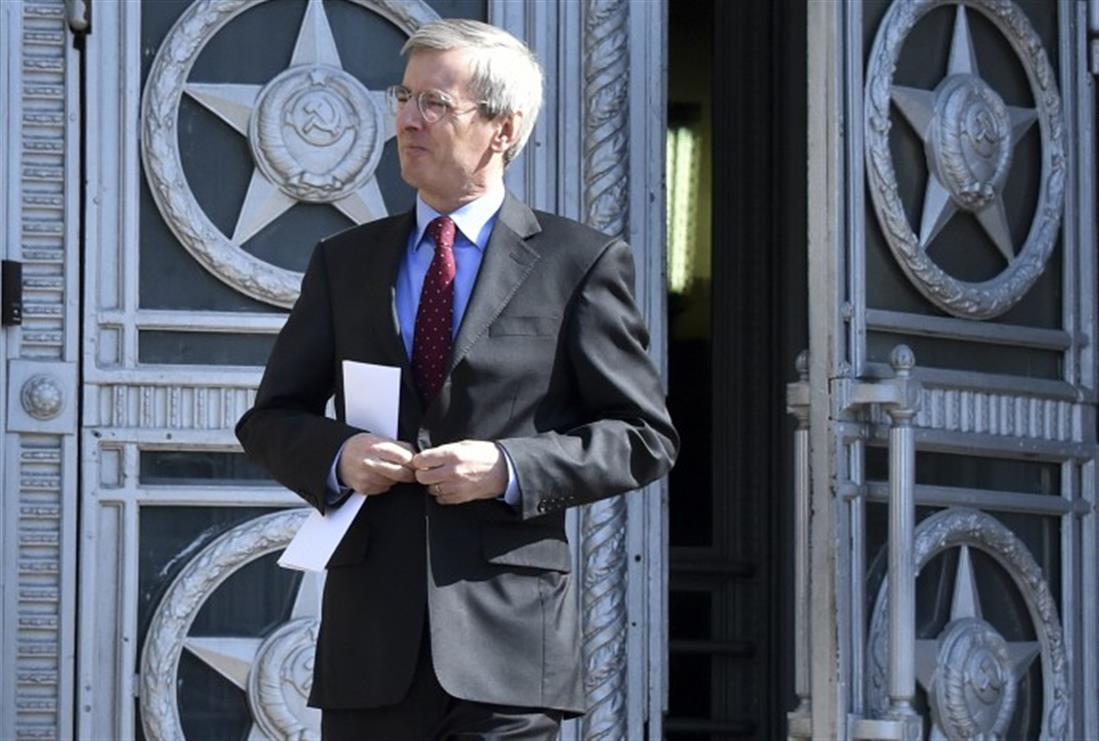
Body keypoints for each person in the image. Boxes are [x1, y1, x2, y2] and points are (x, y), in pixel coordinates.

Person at [236, 18, 677, 740]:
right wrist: (338, 456)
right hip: (369, 646)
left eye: (435, 103)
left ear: (503, 128)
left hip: (507, 644)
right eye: (404, 97)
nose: (407, 120)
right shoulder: (344, 261)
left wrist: (508, 467)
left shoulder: (579, 263)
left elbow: (641, 436)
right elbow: (270, 418)